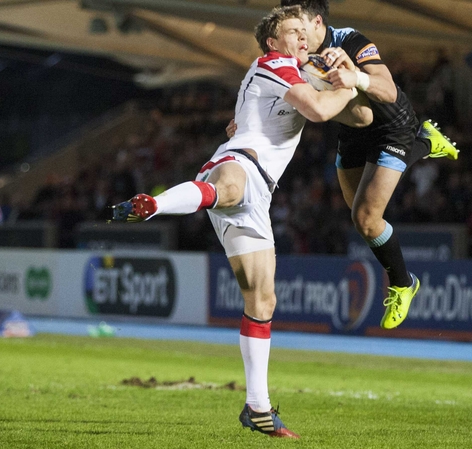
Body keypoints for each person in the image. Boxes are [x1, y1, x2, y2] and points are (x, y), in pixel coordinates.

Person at [110, 5, 371, 439]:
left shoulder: (301, 70)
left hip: (260, 194)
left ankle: (258, 407)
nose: (301, 36)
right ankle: (155, 204)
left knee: (262, 302)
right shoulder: (274, 63)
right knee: (228, 188)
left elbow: (362, 116)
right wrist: (350, 83)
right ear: (273, 42)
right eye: (292, 31)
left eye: (303, 31)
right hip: (238, 163)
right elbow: (319, 111)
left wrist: (344, 81)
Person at [280, 0, 458, 330]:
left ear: (317, 21)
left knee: (365, 217)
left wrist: (356, 77)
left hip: (392, 126)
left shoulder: (350, 40)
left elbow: (387, 90)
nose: (294, 34)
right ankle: (427, 143)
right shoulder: (292, 53)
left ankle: (403, 283)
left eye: (298, 26)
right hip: (353, 131)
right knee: (359, 213)